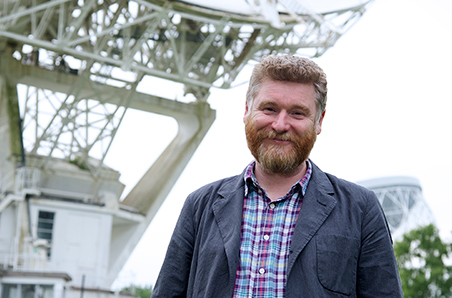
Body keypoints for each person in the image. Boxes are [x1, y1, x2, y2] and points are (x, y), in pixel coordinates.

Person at [151, 55, 403, 297]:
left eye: (297, 113)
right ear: (247, 110)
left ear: (319, 120)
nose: (281, 125)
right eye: (269, 108)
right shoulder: (199, 206)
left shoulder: (360, 210)